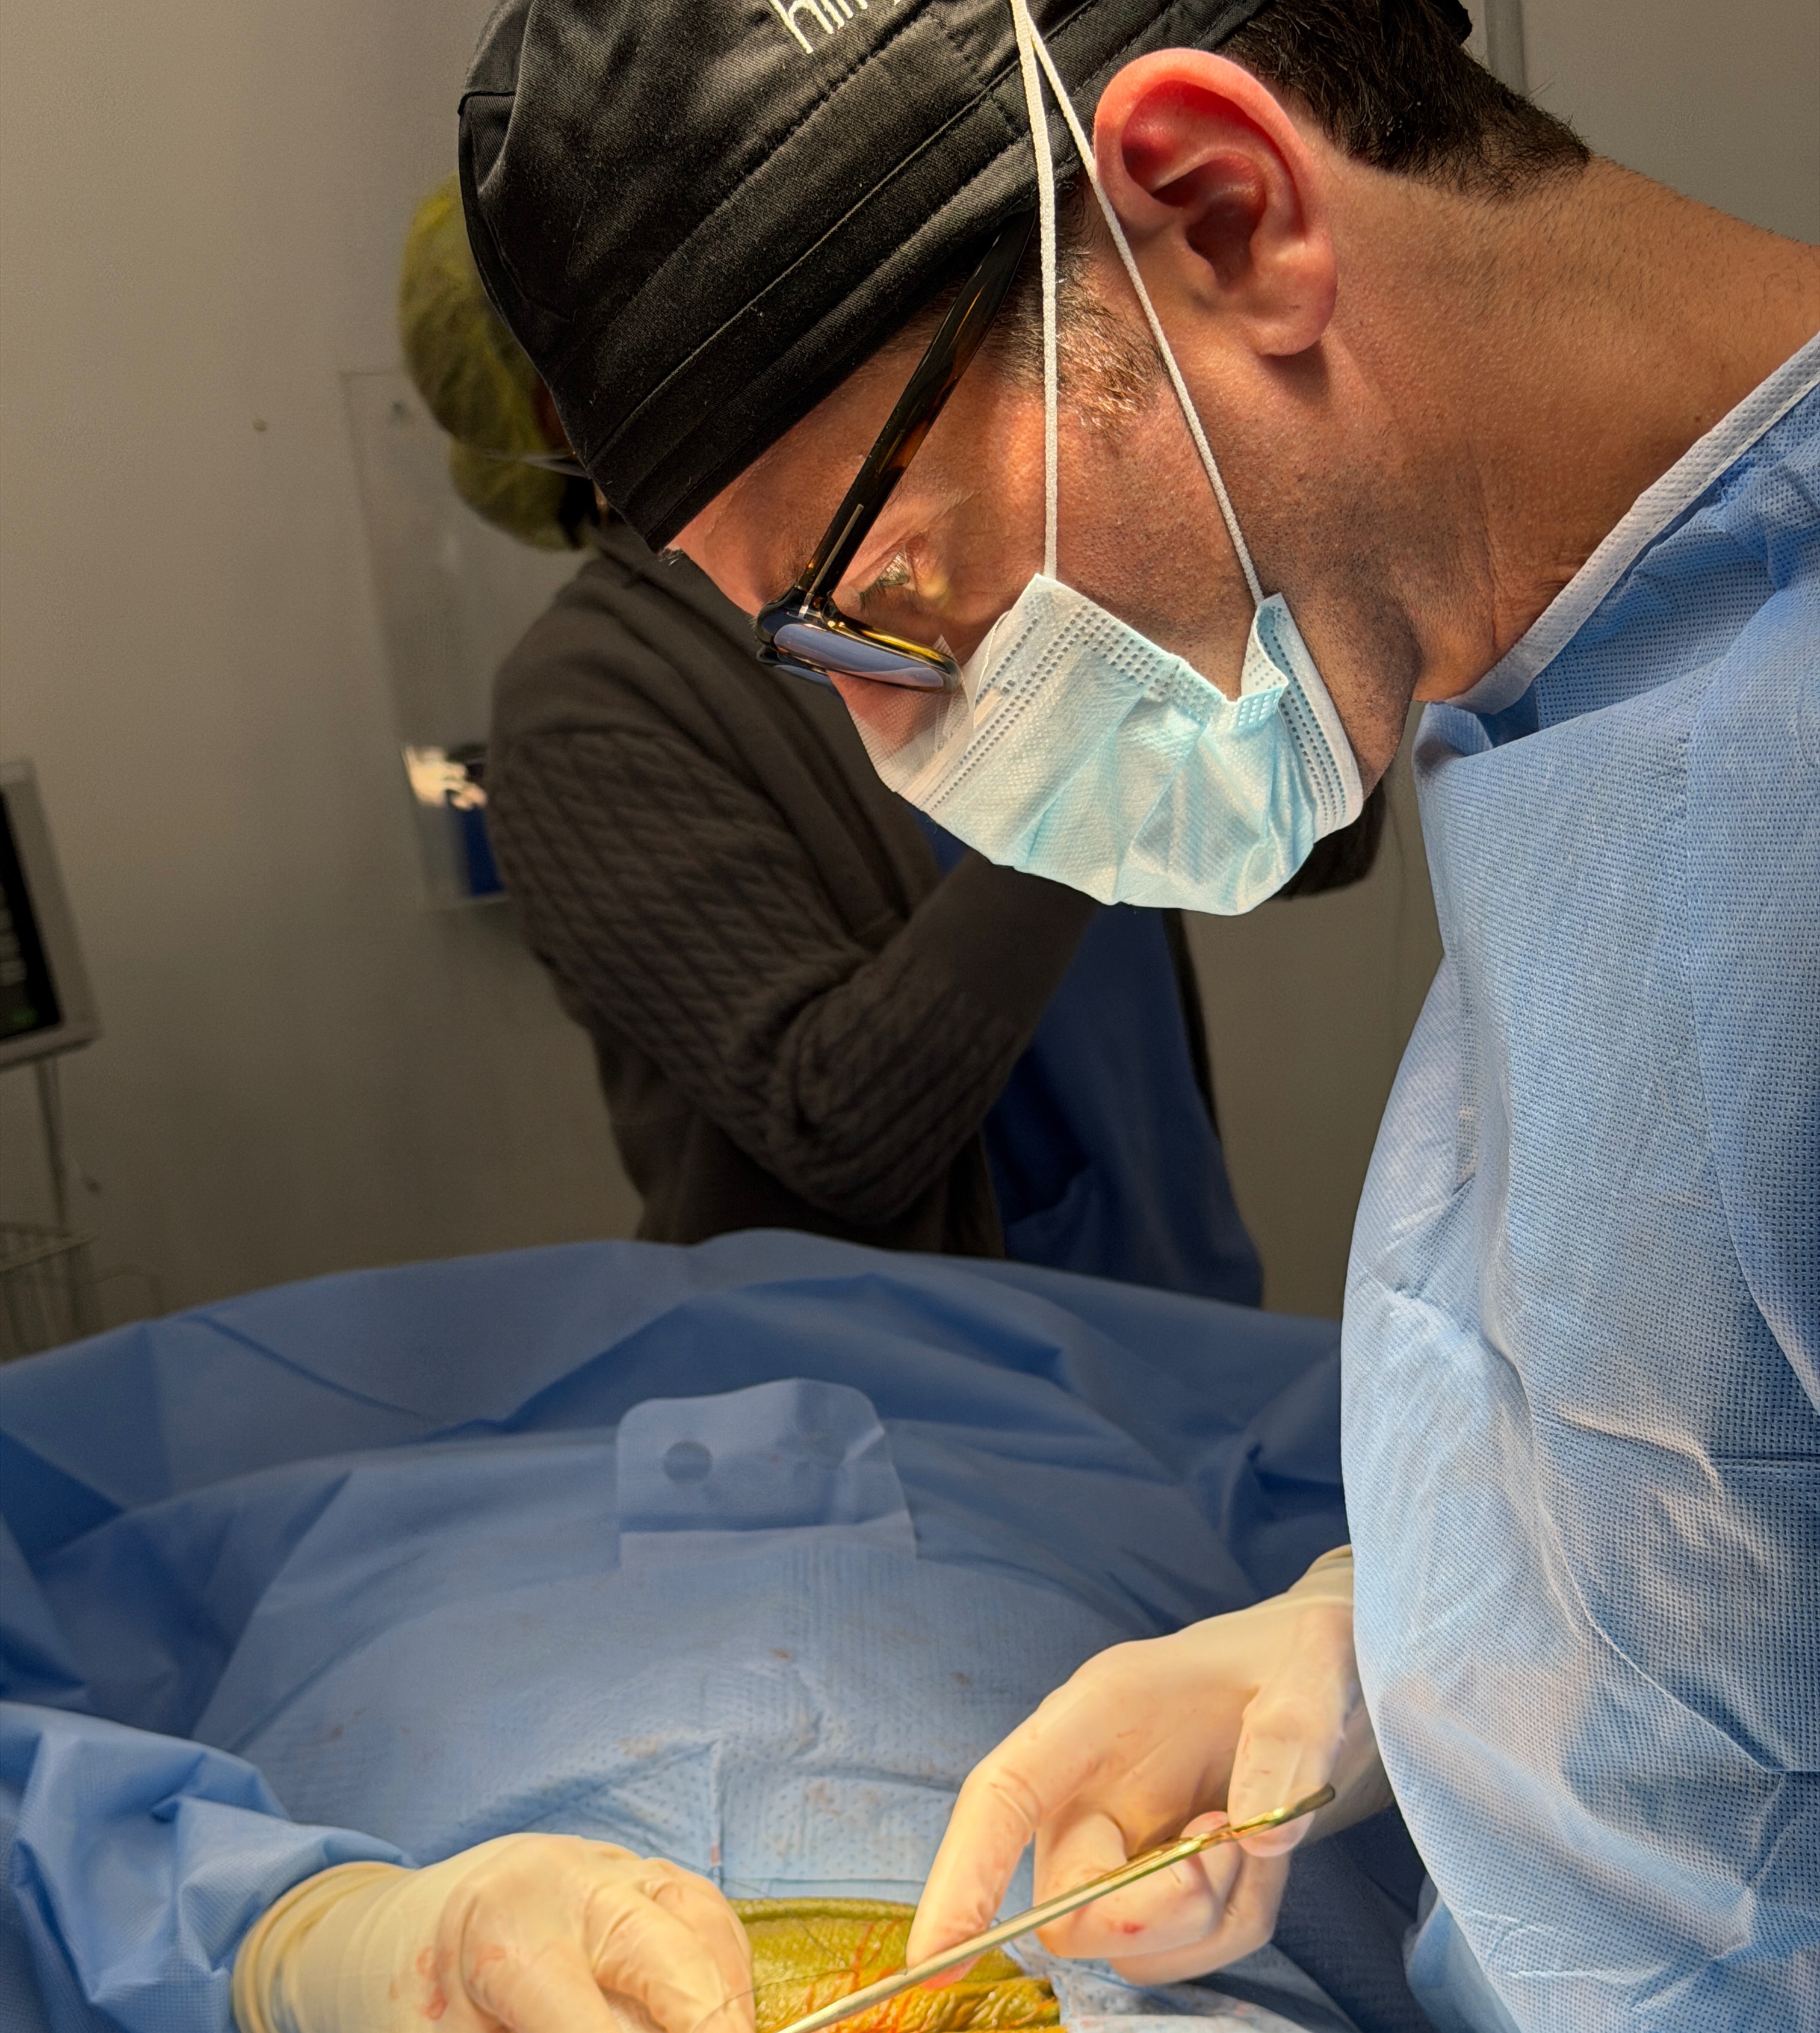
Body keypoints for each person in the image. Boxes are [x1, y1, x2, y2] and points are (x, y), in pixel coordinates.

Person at [455, 0, 1820, 2026]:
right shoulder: (1546, 686)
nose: (902, 752)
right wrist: (1400, 1648)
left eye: (894, 595)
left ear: (1221, 208)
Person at [0, 1231, 1425, 2033]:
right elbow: (1591, 1616)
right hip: (1031, 1453)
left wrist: (281, 1941)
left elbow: (43, 1861)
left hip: (406, 1513)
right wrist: (1397, 1641)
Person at [398, 176, 1384, 1298]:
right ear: (559, 418)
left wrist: (1270, 603)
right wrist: (1073, 749)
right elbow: (836, 1129)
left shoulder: (933, 549)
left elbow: (1319, 840)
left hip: (1176, 1303)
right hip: (905, 1415)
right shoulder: (586, 701)